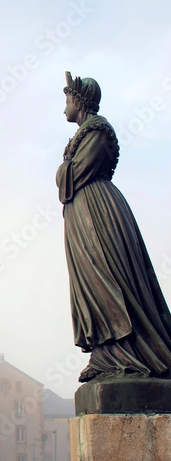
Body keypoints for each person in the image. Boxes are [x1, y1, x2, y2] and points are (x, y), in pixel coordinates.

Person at [57, 72, 171, 382]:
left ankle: (131, 351)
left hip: (99, 214)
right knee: (91, 281)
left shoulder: (98, 132)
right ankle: (105, 354)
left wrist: (63, 168)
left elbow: (70, 176)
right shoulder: (84, 135)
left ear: (80, 102)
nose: (63, 108)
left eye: (66, 100)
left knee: (109, 276)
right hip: (82, 215)